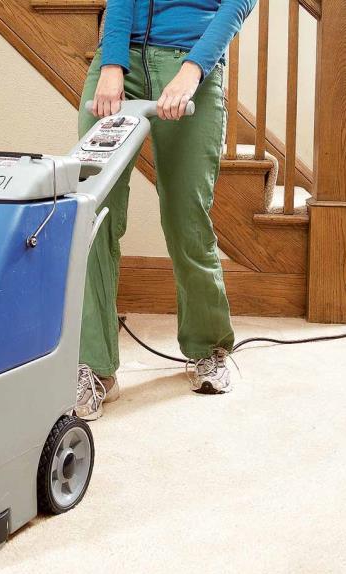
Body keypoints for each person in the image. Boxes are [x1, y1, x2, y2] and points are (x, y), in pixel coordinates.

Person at [75, 0, 257, 420]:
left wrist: (193, 70)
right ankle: (94, 366)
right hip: (122, 62)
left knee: (186, 217)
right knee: (92, 213)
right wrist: (111, 63)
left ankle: (207, 347)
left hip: (192, 61)